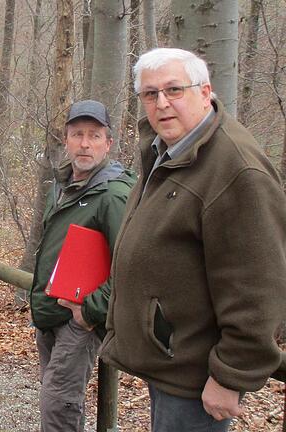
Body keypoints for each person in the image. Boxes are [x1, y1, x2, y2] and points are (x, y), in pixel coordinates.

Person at [100, 47, 286, 432]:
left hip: (198, 377)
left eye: (174, 90)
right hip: (169, 361)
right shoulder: (168, 148)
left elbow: (258, 285)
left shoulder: (236, 170)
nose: (162, 103)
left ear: (205, 93)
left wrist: (230, 376)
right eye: (150, 94)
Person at [29, 100, 136, 431]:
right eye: (77, 134)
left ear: (109, 142)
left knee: (59, 404)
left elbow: (130, 263)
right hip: (52, 309)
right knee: (57, 399)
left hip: (80, 319)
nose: (85, 144)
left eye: (94, 135)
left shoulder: (114, 194)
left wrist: (91, 310)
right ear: (66, 139)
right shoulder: (62, 185)